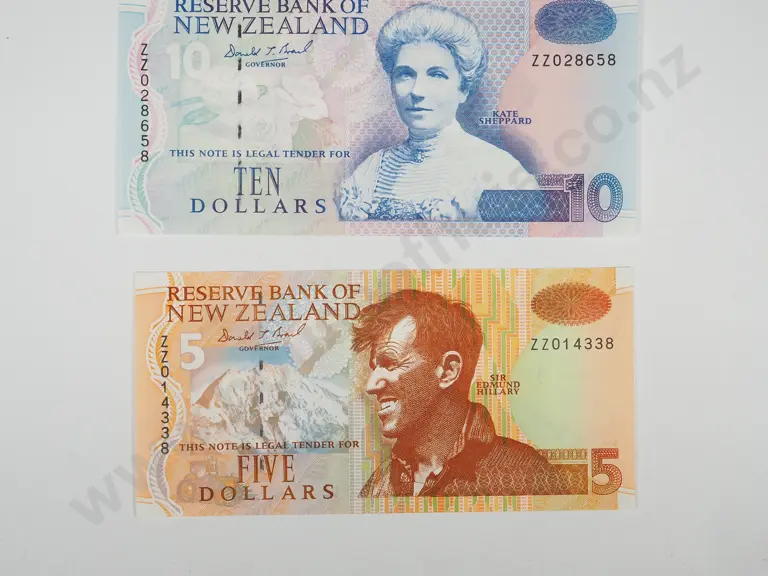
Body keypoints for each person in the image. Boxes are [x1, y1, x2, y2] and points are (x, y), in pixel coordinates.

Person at [335, 3, 533, 222]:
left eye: (436, 75)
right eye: (405, 74)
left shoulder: (499, 170)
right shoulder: (371, 171)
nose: (417, 91)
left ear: (463, 88)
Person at [353, 289, 560, 497]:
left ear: (447, 371)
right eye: (374, 368)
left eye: (389, 363)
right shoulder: (377, 485)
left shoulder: (528, 475)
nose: (371, 386)